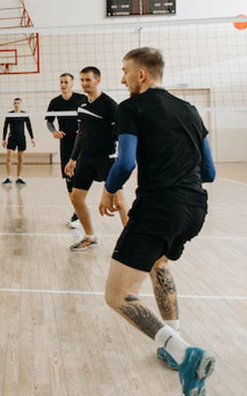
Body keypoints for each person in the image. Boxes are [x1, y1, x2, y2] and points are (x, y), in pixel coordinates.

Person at [100, 47, 216, 396]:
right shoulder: (190, 110)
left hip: (158, 208)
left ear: (141, 74)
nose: (121, 79)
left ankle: (184, 354)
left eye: (124, 72)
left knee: (118, 295)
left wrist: (108, 190)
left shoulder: (131, 108)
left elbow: (125, 162)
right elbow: (208, 171)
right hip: (195, 209)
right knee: (158, 262)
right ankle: (173, 341)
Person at [64, 66, 127, 251]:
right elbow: (81, 134)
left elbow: (121, 136)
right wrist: (73, 158)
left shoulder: (110, 106)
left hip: (107, 159)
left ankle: (130, 242)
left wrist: (121, 161)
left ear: (98, 80)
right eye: (82, 80)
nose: (84, 83)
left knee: (119, 201)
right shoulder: (82, 105)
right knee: (76, 197)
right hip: (86, 158)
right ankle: (90, 237)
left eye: (88, 80)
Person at [46, 73, 88, 228]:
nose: (63, 84)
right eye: (61, 82)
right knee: (69, 180)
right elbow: (49, 122)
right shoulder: (55, 102)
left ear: (72, 84)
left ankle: (79, 213)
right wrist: (53, 131)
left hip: (81, 144)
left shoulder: (81, 99)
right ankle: (77, 213)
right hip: (65, 144)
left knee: (80, 179)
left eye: (66, 82)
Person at [2, 98, 35, 185]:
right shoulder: (10, 114)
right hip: (12, 137)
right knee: (9, 157)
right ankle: (9, 177)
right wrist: (3, 139)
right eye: (15, 103)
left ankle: (19, 177)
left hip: (21, 138)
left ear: (21, 104)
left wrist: (32, 138)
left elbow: (29, 126)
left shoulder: (24, 114)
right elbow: (5, 127)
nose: (16, 104)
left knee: (20, 158)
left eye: (18, 103)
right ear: (13, 104)